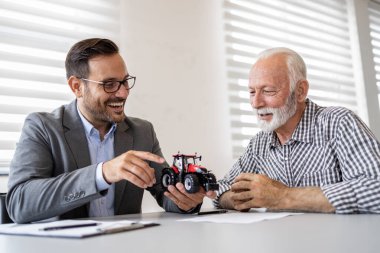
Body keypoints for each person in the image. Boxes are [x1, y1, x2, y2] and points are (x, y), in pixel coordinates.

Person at [7, 38, 214, 223]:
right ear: (76, 87)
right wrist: (103, 173)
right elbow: (19, 203)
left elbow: (167, 194)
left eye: (124, 82)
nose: (123, 93)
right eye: (109, 84)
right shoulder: (42, 127)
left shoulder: (142, 131)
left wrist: (186, 201)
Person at [213, 47, 380, 213]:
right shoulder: (259, 143)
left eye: (268, 91)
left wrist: (283, 196)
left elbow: (375, 188)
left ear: (300, 91)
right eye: (251, 92)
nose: (256, 103)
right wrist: (240, 199)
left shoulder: (338, 123)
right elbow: (220, 189)